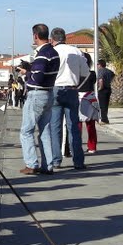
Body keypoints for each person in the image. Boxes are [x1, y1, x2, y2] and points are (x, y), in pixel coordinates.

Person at [18, 24, 59, 175]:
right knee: (44, 130)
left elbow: (38, 76)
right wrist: (31, 70)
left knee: (26, 131)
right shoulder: (54, 52)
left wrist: (28, 73)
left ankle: (31, 163)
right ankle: (47, 165)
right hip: (49, 93)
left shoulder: (42, 54)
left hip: (37, 94)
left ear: (35, 36)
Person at [48, 27, 89, 171]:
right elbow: (86, 73)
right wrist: (77, 84)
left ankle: (55, 160)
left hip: (55, 90)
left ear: (52, 39)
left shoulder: (51, 52)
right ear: (65, 38)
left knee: (55, 127)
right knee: (73, 127)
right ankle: (78, 161)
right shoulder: (76, 51)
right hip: (72, 89)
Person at [77, 52, 98, 154]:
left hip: (78, 98)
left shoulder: (76, 74)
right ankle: (92, 147)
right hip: (90, 99)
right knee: (91, 125)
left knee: (77, 125)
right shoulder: (93, 74)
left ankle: (77, 146)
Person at [96, 59, 114, 124]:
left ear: (100, 65)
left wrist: (100, 88)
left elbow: (101, 80)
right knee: (106, 105)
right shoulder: (109, 71)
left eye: (97, 64)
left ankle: (104, 120)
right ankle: (105, 118)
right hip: (108, 88)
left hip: (103, 89)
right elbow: (113, 76)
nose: (97, 66)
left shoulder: (100, 71)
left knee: (102, 105)